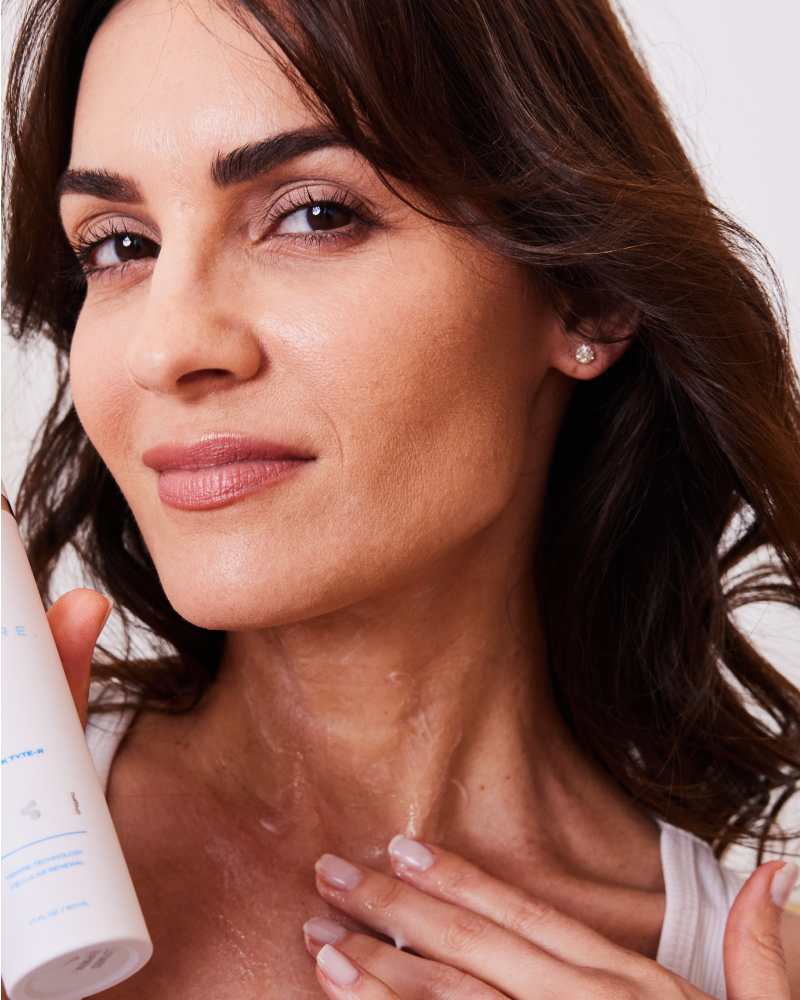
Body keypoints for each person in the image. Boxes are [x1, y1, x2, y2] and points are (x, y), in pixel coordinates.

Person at [3, 0, 800, 996]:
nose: (167, 348)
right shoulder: (15, 855)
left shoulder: (748, 969)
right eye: (120, 245)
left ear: (585, 290)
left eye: (313, 214)